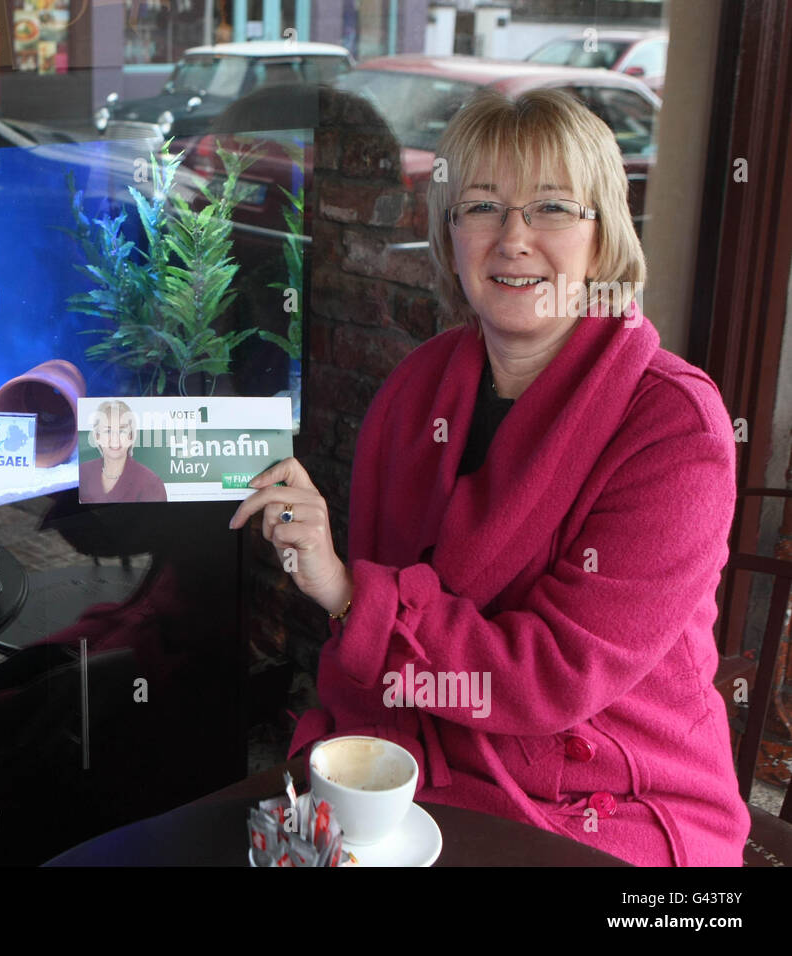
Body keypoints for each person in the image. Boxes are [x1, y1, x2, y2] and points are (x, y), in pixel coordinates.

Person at [230, 88, 748, 867]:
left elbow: (552, 677)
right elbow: (366, 659)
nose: (514, 239)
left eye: (551, 208)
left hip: (611, 808)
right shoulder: (415, 394)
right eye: (481, 206)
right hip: (420, 770)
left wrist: (346, 592)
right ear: (449, 235)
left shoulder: (674, 429)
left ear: (603, 237)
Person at [79, 400, 168, 503]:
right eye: (108, 431)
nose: (115, 439)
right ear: (97, 436)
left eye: (121, 431)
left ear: (131, 436)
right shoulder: (82, 473)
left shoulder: (151, 483)